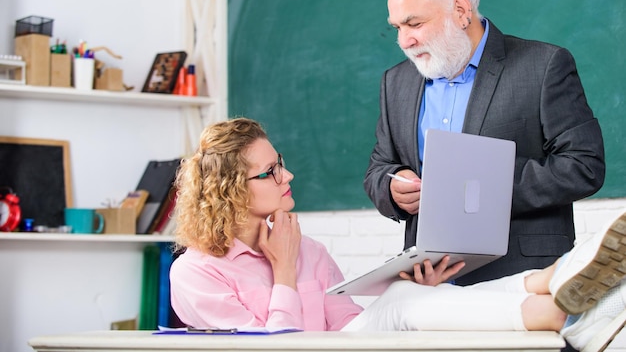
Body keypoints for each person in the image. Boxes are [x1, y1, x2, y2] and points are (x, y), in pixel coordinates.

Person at [169, 117, 626, 352]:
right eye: (270, 172)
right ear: (230, 190)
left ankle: (563, 299)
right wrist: (283, 271)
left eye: (280, 160)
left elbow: (347, 326)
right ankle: (565, 291)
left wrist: (420, 299)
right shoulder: (195, 273)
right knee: (404, 304)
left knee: (407, 299)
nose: (288, 174)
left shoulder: (308, 247)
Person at [363, 0, 606, 287]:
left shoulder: (543, 66)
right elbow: (380, 168)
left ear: (461, 11)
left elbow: (584, 166)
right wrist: (392, 188)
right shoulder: (396, 82)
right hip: (428, 287)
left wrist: (478, 187)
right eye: (397, 28)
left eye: (414, 24)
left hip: (522, 281)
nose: (404, 41)